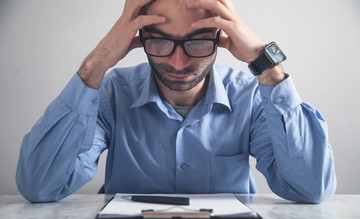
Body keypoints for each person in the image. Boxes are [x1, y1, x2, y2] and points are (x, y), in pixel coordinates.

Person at [16, 0, 336, 203]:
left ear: (221, 38)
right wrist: (96, 61)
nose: (179, 63)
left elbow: (309, 188)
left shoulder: (250, 96)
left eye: (197, 42)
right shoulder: (112, 92)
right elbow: (40, 186)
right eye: (160, 41)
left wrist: (265, 64)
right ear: (137, 39)